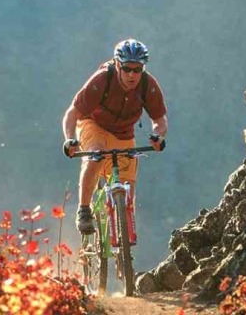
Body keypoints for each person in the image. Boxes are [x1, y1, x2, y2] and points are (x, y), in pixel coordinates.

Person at [61, 38, 168, 235]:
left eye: (137, 70)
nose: (132, 75)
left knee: (129, 194)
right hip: (93, 124)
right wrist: (69, 139)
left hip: (124, 133)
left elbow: (160, 120)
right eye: (127, 68)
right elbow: (72, 113)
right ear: (118, 64)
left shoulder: (148, 85)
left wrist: (157, 136)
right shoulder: (102, 79)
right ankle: (84, 210)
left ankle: (125, 249)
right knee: (96, 154)